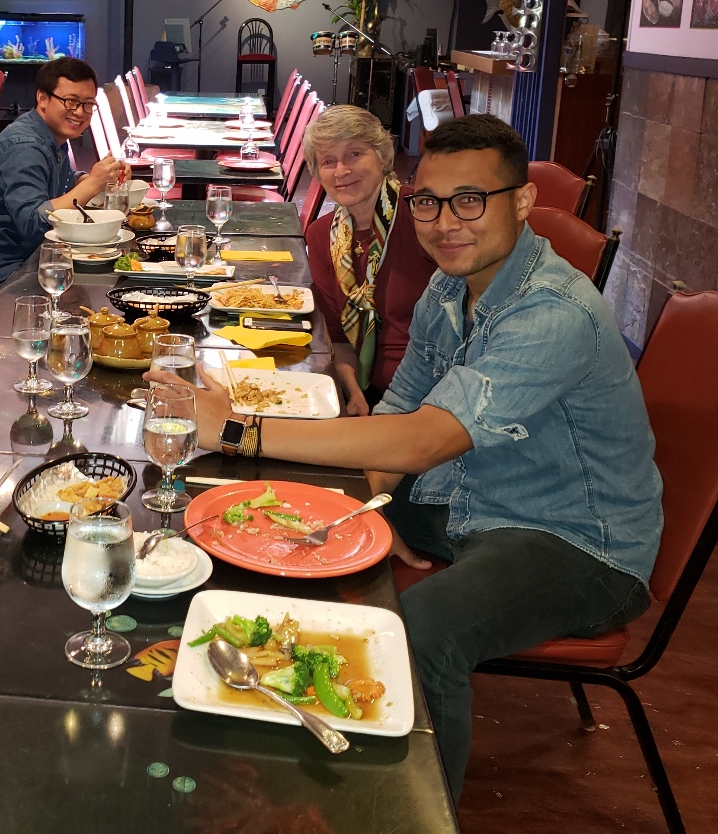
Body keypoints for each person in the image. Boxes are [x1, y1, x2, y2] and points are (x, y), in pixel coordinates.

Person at [151, 115, 662, 802]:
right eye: (429, 201)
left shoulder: (553, 312)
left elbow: (423, 438)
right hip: (471, 494)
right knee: (285, 511)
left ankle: (411, 813)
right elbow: (395, 417)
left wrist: (241, 428)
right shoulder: (451, 288)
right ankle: (271, 744)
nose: (446, 222)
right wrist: (359, 509)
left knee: (422, 631)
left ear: (521, 202)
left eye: (470, 199)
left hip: (576, 541)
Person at [302, 105, 434, 414]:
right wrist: (352, 393)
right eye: (328, 161)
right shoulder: (322, 236)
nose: (342, 171)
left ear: (384, 157)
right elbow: (338, 337)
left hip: (431, 394)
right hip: (366, 391)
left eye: (354, 154)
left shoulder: (423, 215)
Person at [0, 56, 125, 288]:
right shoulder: (24, 146)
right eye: (70, 101)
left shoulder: (49, 134)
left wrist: (98, 179)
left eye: (88, 104)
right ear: (42, 98)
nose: (80, 112)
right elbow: (35, 223)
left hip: (26, 257)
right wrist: (93, 184)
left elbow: (59, 183)